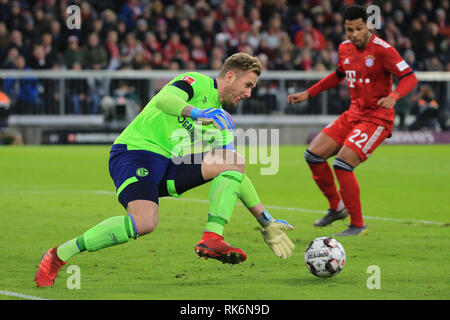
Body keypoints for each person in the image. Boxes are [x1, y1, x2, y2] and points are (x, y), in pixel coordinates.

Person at [35, 53, 295, 287]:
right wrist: (197, 113)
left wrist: (266, 221)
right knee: (145, 223)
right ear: (230, 76)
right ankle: (58, 255)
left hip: (168, 162)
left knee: (233, 159)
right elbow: (163, 99)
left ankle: (212, 238)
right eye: (248, 85)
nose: (249, 93)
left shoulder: (221, 119)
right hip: (135, 152)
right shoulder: (197, 82)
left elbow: (235, 171)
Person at [287, 5, 418, 236]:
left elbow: (409, 77)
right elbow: (338, 74)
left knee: (342, 163)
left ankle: (358, 225)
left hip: (377, 118)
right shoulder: (344, 48)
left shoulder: (383, 49)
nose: (354, 34)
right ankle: (336, 208)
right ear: (344, 29)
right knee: (313, 155)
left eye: (359, 28)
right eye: (349, 29)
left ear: (368, 26)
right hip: (353, 114)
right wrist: (309, 92)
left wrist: (394, 96)